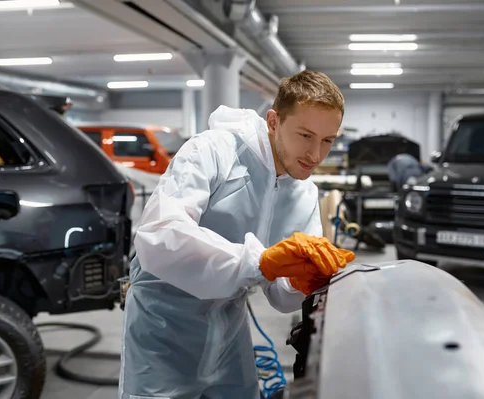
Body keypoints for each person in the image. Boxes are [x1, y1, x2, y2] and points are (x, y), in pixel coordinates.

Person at [118, 70, 356, 399]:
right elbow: (159, 237)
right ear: (273, 121)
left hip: (228, 329)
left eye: (327, 140)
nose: (316, 154)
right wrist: (261, 262)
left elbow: (281, 295)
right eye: (305, 135)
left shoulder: (302, 193)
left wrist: (305, 280)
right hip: (164, 327)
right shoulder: (213, 151)